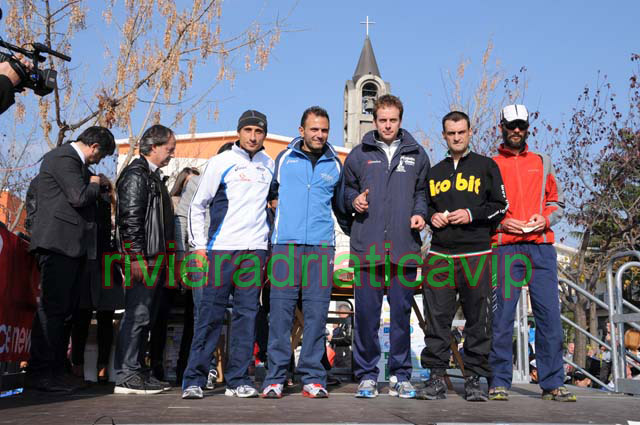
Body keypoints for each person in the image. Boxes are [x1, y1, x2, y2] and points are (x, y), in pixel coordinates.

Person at [182, 110, 274, 400]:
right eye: (248, 130)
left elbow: (272, 204)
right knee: (210, 315)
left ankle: (238, 380)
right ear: (239, 132)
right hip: (221, 249)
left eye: (258, 132)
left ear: (264, 135)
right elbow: (198, 205)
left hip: (254, 251)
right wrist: (198, 246)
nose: (253, 136)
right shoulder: (221, 162)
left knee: (247, 317)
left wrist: (267, 244)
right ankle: (194, 379)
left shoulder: (270, 164)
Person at [343, 94, 430, 399]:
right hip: (368, 249)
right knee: (367, 316)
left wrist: (420, 213)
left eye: (393, 120)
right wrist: (354, 201)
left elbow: (423, 193)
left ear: (400, 120)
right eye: (383, 120)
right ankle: (367, 376)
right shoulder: (358, 155)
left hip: (404, 248)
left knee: (401, 317)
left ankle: (400, 376)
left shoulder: (417, 154)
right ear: (374, 121)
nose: (388, 125)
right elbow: (345, 192)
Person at [488, 104, 576, 402]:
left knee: (549, 317)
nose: (516, 130)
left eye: (521, 126)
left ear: (528, 128)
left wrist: (545, 218)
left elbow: (556, 202)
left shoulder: (542, 161)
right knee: (501, 318)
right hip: (505, 249)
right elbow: (484, 207)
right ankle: (499, 381)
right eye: (511, 125)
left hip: (541, 248)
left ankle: (552, 383)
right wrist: (501, 221)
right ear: (501, 127)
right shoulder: (490, 164)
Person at [418, 111, 508, 402]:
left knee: (478, 320)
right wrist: (431, 217)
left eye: (461, 132)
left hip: (476, 253)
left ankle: (474, 380)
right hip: (439, 254)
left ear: (470, 132)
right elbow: (424, 206)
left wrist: (471, 214)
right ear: (444, 135)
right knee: (436, 320)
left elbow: (501, 206)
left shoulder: (486, 166)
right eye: (451, 133)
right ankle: (436, 379)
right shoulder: (434, 171)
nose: (456, 137)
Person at [260, 106, 348, 399]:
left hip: (321, 247)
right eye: (314, 129)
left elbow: (341, 206)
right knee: (280, 315)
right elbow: (268, 194)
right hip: (286, 245)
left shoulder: (335, 164)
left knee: (316, 316)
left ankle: (312, 377)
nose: (320, 135)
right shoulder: (284, 159)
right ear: (302, 131)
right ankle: (275, 377)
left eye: (324, 130)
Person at [27, 126, 115, 392]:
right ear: (94, 147)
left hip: (73, 248)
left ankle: (57, 370)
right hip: (58, 245)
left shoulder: (77, 164)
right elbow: (78, 197)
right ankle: (41, 372)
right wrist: (95, 183)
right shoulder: (64, 157)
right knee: (53, 311)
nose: (98, 161)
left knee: (65, 313)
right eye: (101, 155)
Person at [113, 124, 176, 395]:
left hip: (154, 258)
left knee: (146, 317)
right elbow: (130, 220)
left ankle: (137, 370)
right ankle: (127, 374)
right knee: (137, 315)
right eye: (169, 149)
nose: (172, 154)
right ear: (153, 147)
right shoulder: (137, 175)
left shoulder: (152, 177)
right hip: (144, 258)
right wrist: (135, 257)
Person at [70, 177, 124, 383]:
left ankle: (103, 366)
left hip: (109, 265)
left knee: (106, 317)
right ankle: (77, 363)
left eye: (107, 188)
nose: (104, 192)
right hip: (88, 264)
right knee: (82, 316)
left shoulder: (118, 212)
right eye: (100, 188)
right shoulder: (88, 208)